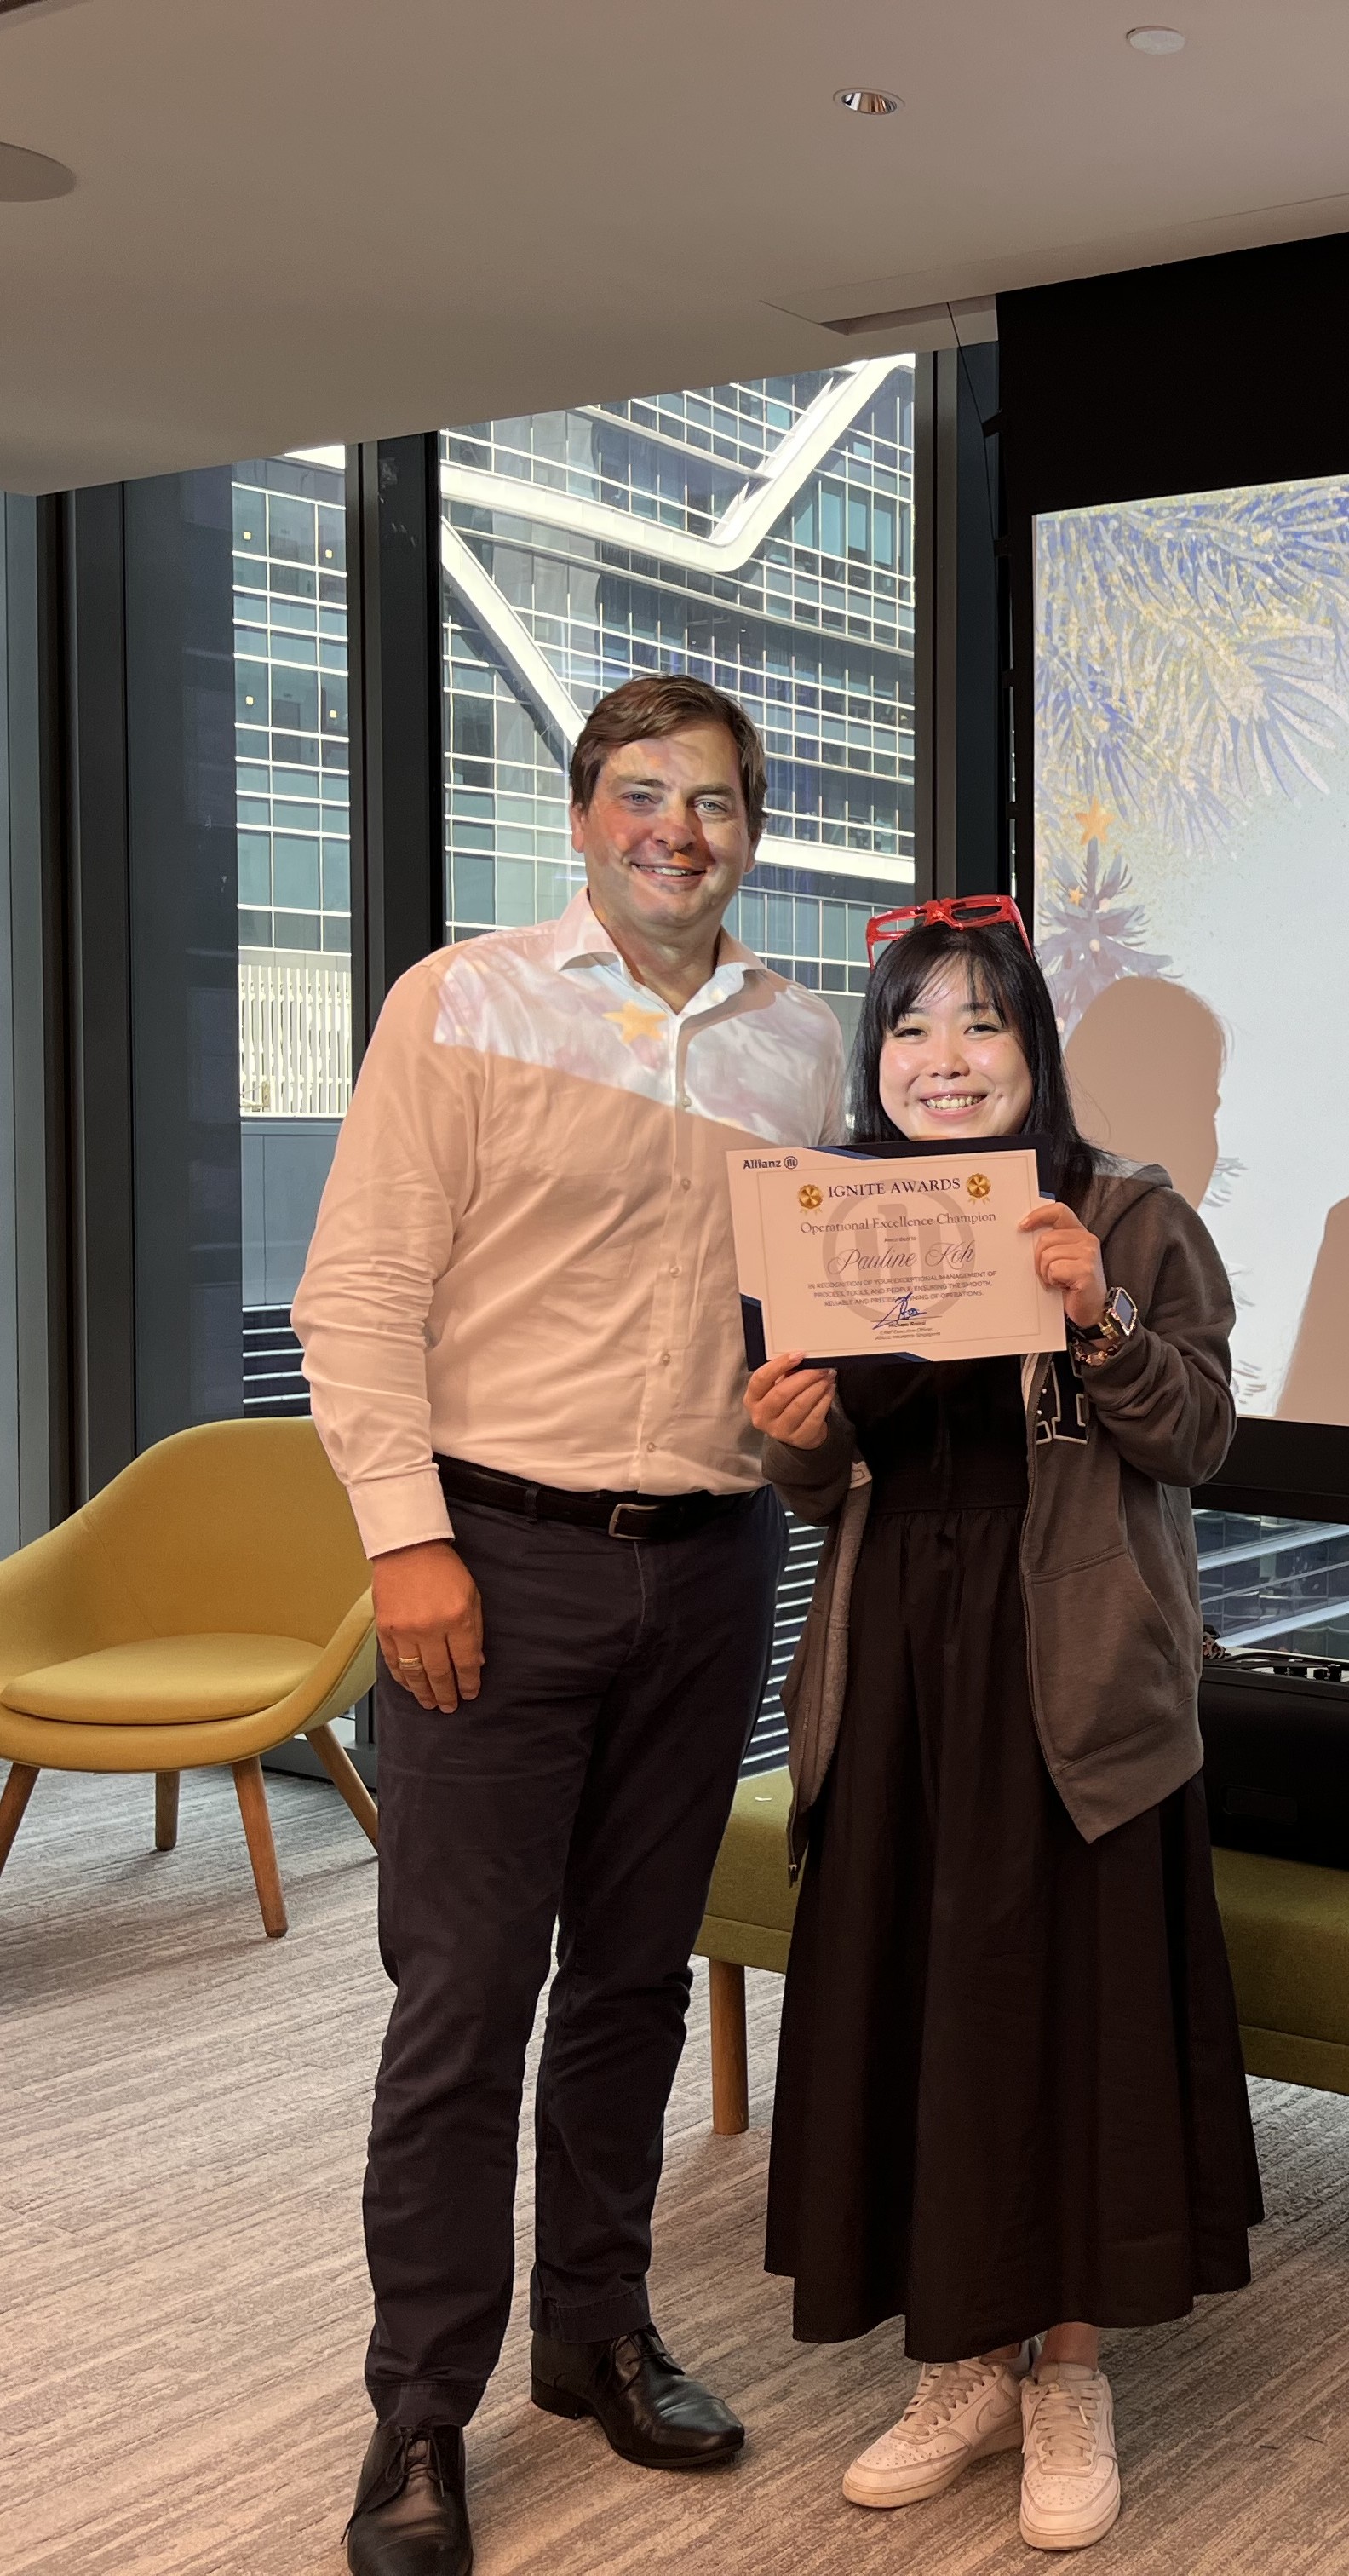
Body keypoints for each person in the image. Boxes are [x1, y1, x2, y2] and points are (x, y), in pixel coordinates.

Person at [294, 674, 847, 2576]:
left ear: (752, 828)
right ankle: (418, 2415)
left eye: (715, 800)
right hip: (493, 1561)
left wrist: (818, 1422)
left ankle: (594, 2328)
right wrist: (404, 1543)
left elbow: (802, 1322)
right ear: (583, 814)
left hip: (712, 1564)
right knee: (462, 2000)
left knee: (631, 1980)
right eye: (642, 794)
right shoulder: (463, 1003)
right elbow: (360, 1291)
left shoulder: (803, 1046)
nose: (678, 830)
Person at [747, 900, 1260, 2554]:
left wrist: (1099, 1317)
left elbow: (1202, 1439)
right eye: (911, 1028)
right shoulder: (832, 1216)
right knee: (923, 2011)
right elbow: (824, 1480)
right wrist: (791, 1435)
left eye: (981, 1024)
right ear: (877, 1058)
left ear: (1034, 1047)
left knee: (1071, 2024)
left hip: (1076, 1681)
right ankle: (961, 2364)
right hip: (898, 1668)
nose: (945, 1060)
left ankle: (1069, 2378)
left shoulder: (1128, 1210)